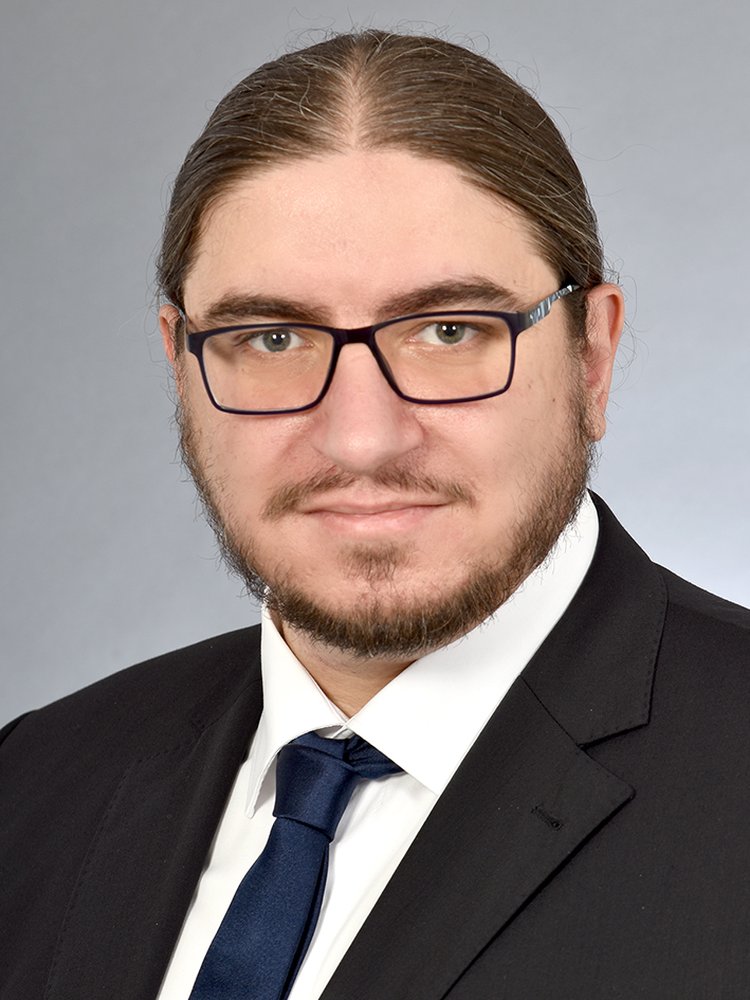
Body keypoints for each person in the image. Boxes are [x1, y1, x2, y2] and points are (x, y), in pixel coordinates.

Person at [1, 29, 749, 1000]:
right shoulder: (34, 784)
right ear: (181, 368)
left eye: (450, 329)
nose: (361, 439)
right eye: (273, 338)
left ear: (592, 358)